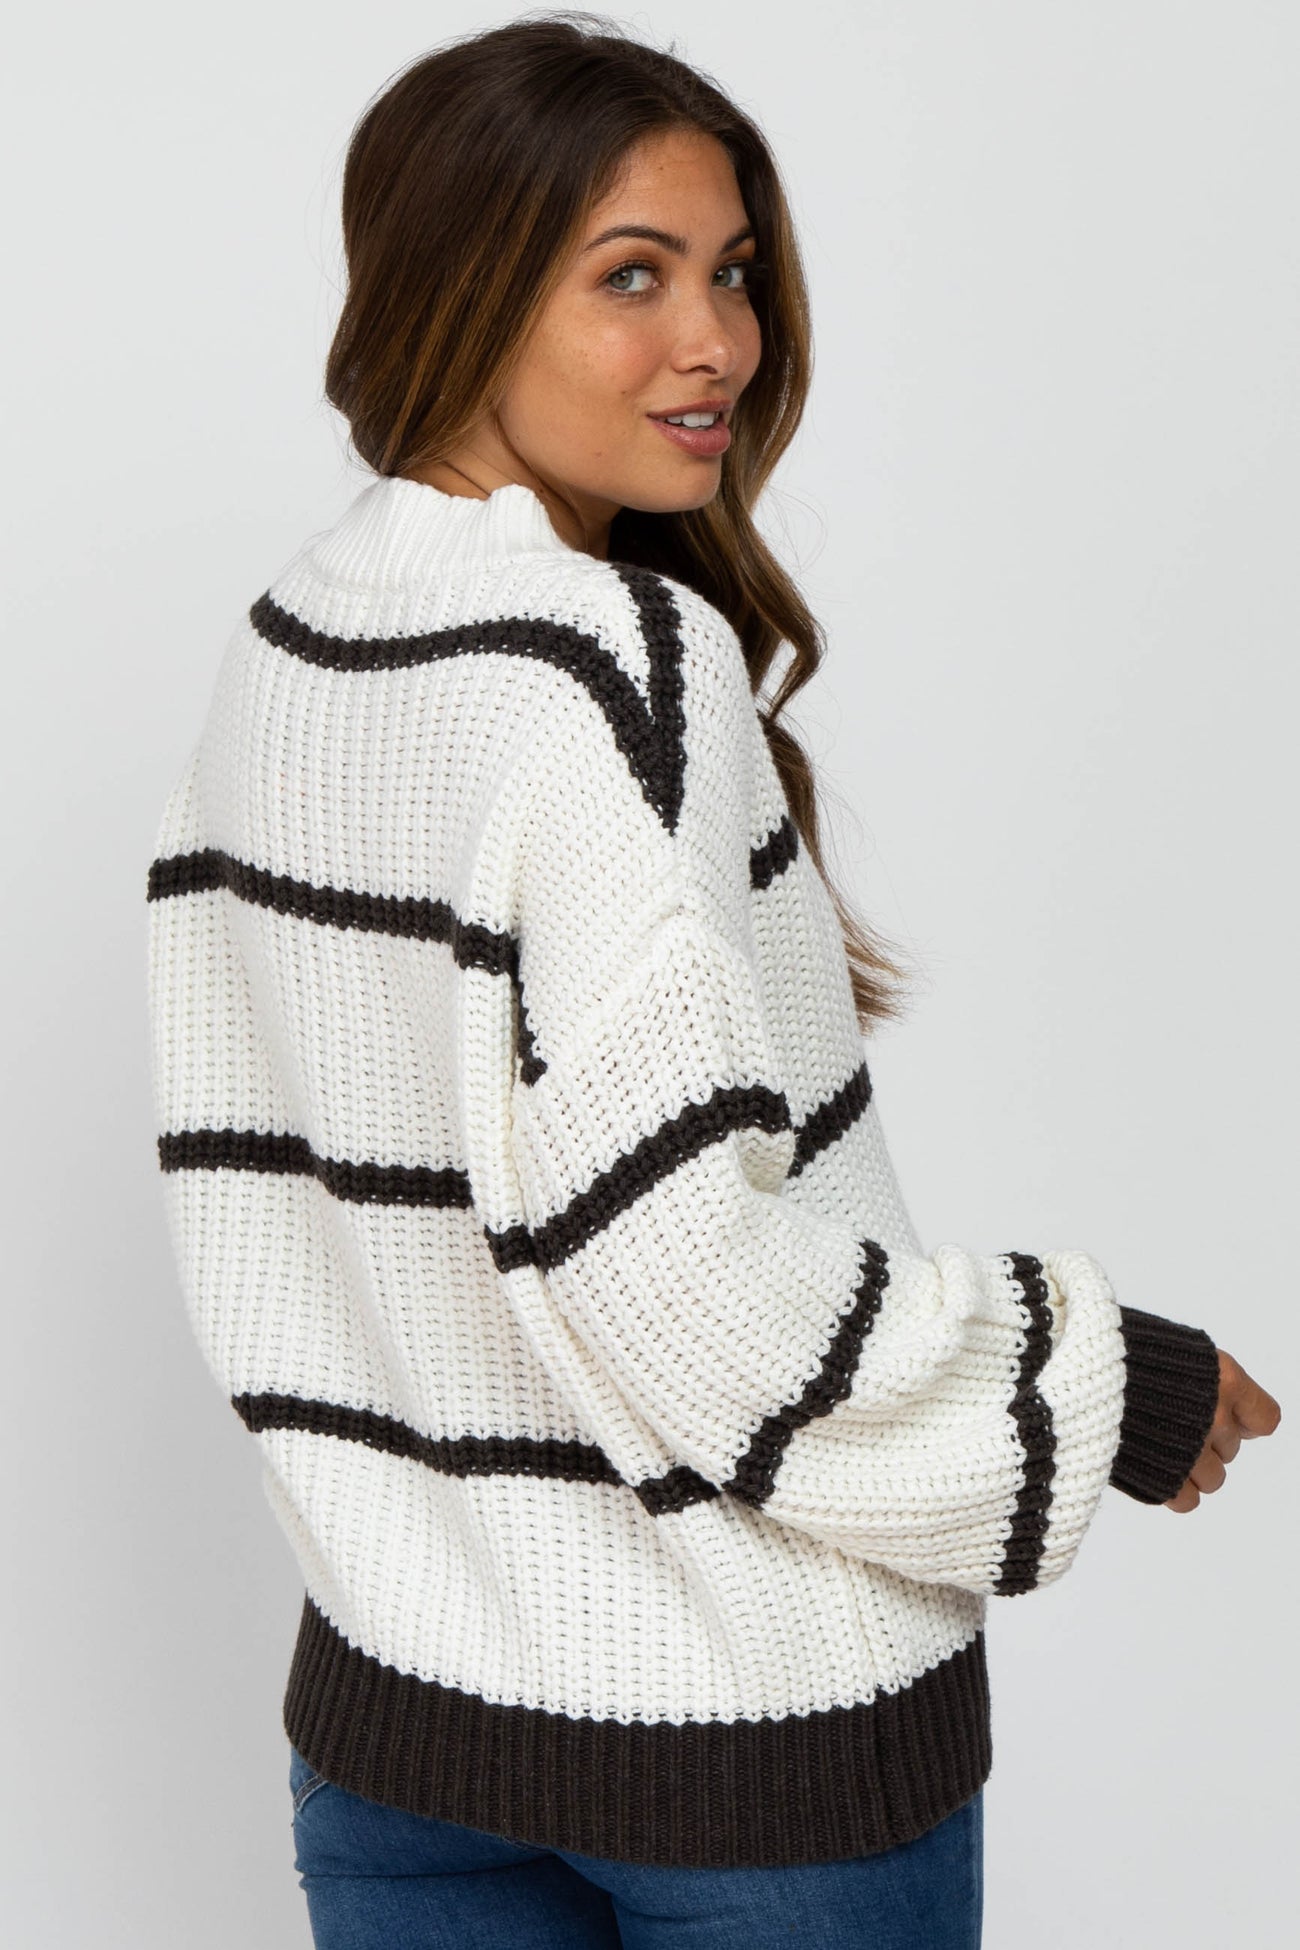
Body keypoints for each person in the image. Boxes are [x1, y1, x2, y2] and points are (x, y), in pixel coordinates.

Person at [145, 14, 1281, 1948]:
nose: (720, 346)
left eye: (734, 272)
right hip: (748, 1753)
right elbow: (697, 1296)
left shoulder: (294, 648)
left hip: (399, 1730)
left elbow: (280, 1214)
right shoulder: (607, 669)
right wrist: (1094, 1382)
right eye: (632, 277)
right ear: (459, 285)